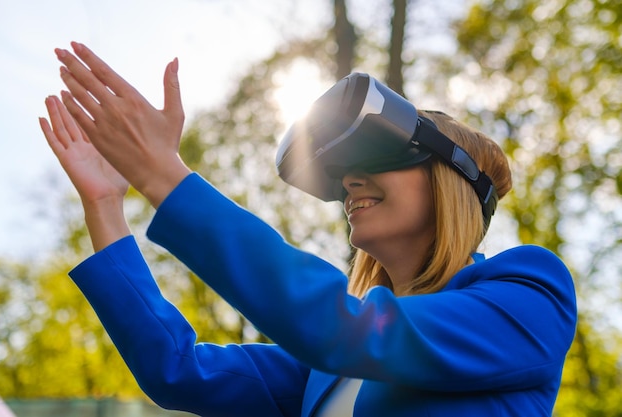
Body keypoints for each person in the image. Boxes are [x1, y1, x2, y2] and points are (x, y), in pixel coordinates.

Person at [39, 41, 577, 417]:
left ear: (450, 181)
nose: (350, 182)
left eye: (376, 156)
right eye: (341, 173)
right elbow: (175, 369)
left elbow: (346, 329)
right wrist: (106, 204)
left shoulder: (529, 297)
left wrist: (165, 177)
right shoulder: (324, 372)